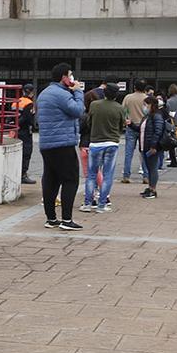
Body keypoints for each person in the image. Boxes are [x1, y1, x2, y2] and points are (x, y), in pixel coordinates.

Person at [36, 63, 84, 231]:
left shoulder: (44, 94)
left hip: (47, 144)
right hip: (63, 144)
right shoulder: (61, 94)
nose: (72, 79)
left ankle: (51, 218)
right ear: (64, 77)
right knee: (70, 180)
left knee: (50, 180)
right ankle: (67, 219)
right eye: (70, 75)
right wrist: (78, 91)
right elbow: (78, 110)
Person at [84, 82, 126, 213]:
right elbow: (121, 126)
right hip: (111, 143)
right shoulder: (119, 108)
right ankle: (102, 204)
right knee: (107, 175)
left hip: (95, 142)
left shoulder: (94, 105)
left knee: (91, 175)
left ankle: (87, 203)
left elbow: (89, 122)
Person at [141, 96, 170, 199]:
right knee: (149, 168)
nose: (144, 107)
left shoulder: (156, 116)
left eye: (145, 105)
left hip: (151, 146)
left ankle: (153, 189)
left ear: (151, 105)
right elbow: (142, 130)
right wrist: (131, 125)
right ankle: (150, 188)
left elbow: (158, 131)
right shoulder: (147, 116)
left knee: (152, 168)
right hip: (145, 145)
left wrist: (153, 145)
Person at [120, 80, 148, 184]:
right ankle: (146, 176)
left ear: (135, 87)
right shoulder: (147, 98)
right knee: (144, 152)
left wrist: (125, 121)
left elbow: (123, 111)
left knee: (128, 153)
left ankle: (126, 175)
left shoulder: (128, 97)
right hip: (143, 127)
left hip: (131, 126)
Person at [16, 84, 37, 184]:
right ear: (32, 92)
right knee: (26, 152)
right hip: (25, 131)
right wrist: (34, 126)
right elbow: (28, 118)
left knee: (17, 153)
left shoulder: (17, 101)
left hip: (16, 130)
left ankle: (16, 173)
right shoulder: (29, 103)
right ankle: (23, 175)